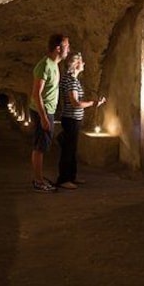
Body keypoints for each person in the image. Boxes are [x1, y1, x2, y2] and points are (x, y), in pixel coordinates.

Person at [56, 52, 105, 189]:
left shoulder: (73, 80)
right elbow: (75, 103)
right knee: (68, 150)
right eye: (82, 62)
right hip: (71, 119)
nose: (84, 64)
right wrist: (92, 103)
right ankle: (64, 179)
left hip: (74, 119)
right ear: (76, 64)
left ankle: (72, 177)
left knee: (72, 149)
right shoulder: (70, 80)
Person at [30, 33, 70, 192]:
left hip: (48, 110)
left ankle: (39, 178)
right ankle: (38, 182)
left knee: (43, 146)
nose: (69, 49)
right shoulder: (45, 65)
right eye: (67, 46)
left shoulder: (55, 65)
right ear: (58, 48)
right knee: (40, 147)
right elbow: (36, 93)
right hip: (42, 110)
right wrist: (43, 117)